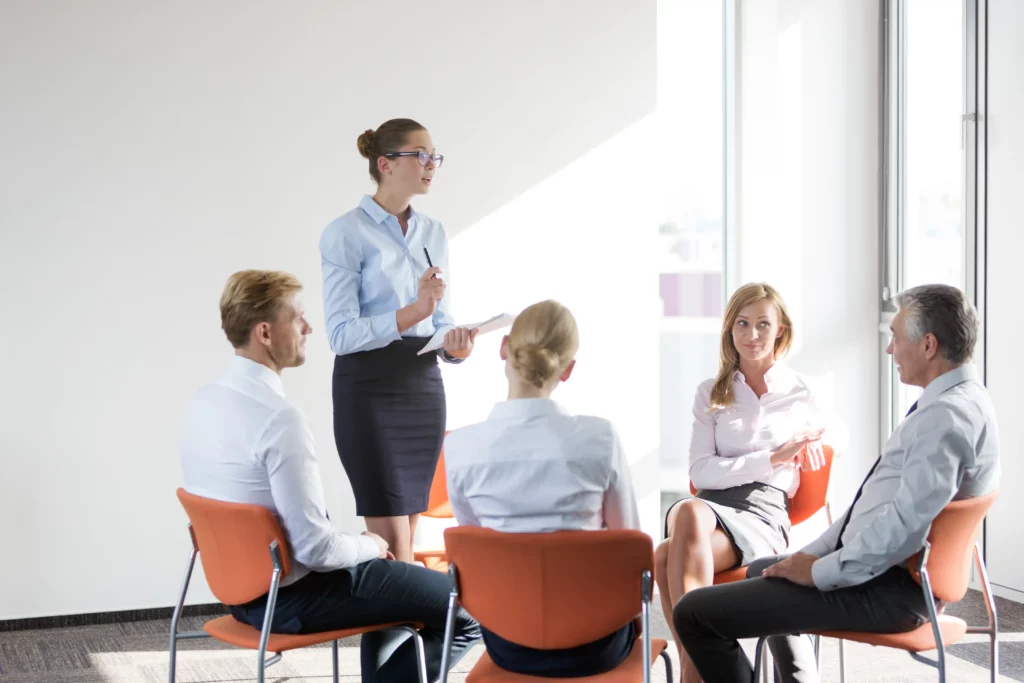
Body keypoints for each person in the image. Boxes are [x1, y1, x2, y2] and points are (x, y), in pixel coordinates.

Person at [672, 284, 1000, 683]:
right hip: (890, 576)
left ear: (928, 345)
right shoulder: (962, 402)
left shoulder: (945, 418)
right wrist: (806, 557)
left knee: (693, 613)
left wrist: (821, 570)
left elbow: (901, 529)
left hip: (888, 590)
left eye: (895, 336)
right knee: (765, 569)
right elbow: (872, 513)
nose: (889, 349)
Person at [179, 270, 480, 683]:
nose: (308, 328)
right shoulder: (279, 419)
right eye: (297, 318)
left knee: (399, 586)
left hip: (240, 593)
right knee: (466, 607)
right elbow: (316, 551)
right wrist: (370, 545)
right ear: (265, 332)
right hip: (296, 599)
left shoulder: (204, 401)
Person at [444, 300, 642, 677]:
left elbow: (474, 547)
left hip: (507, 643)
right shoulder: (599, 437)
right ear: (567, 370)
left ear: (504, 348)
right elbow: (627, 545)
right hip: (598, 646)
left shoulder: (460, 447)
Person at [655, 283, 834, 683]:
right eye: (742, 324)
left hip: (763, 514)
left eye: (763, 325)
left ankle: (693, 669)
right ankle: (698, 665)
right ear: (729, 330)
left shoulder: (804, 392)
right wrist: (772, 458)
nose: (752, 336)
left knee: (667, 554)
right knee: (687, 513)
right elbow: (700, 473)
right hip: (709, 512)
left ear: (780, 330)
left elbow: (810, 458)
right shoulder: (710, 392)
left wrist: (785, 455)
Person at [319, 118, 476, 563]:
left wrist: (455, 345)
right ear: (385, 164)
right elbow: (341, 334)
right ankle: (409, 627)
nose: (431, 165)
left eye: (434, 156)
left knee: (408, 532)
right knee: (394, 548)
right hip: (369, 388)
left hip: (421, 386)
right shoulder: (344, 233)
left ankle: (410, 632)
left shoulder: (434, 231)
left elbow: (439, 317)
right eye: (420, 155)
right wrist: (414, 312)